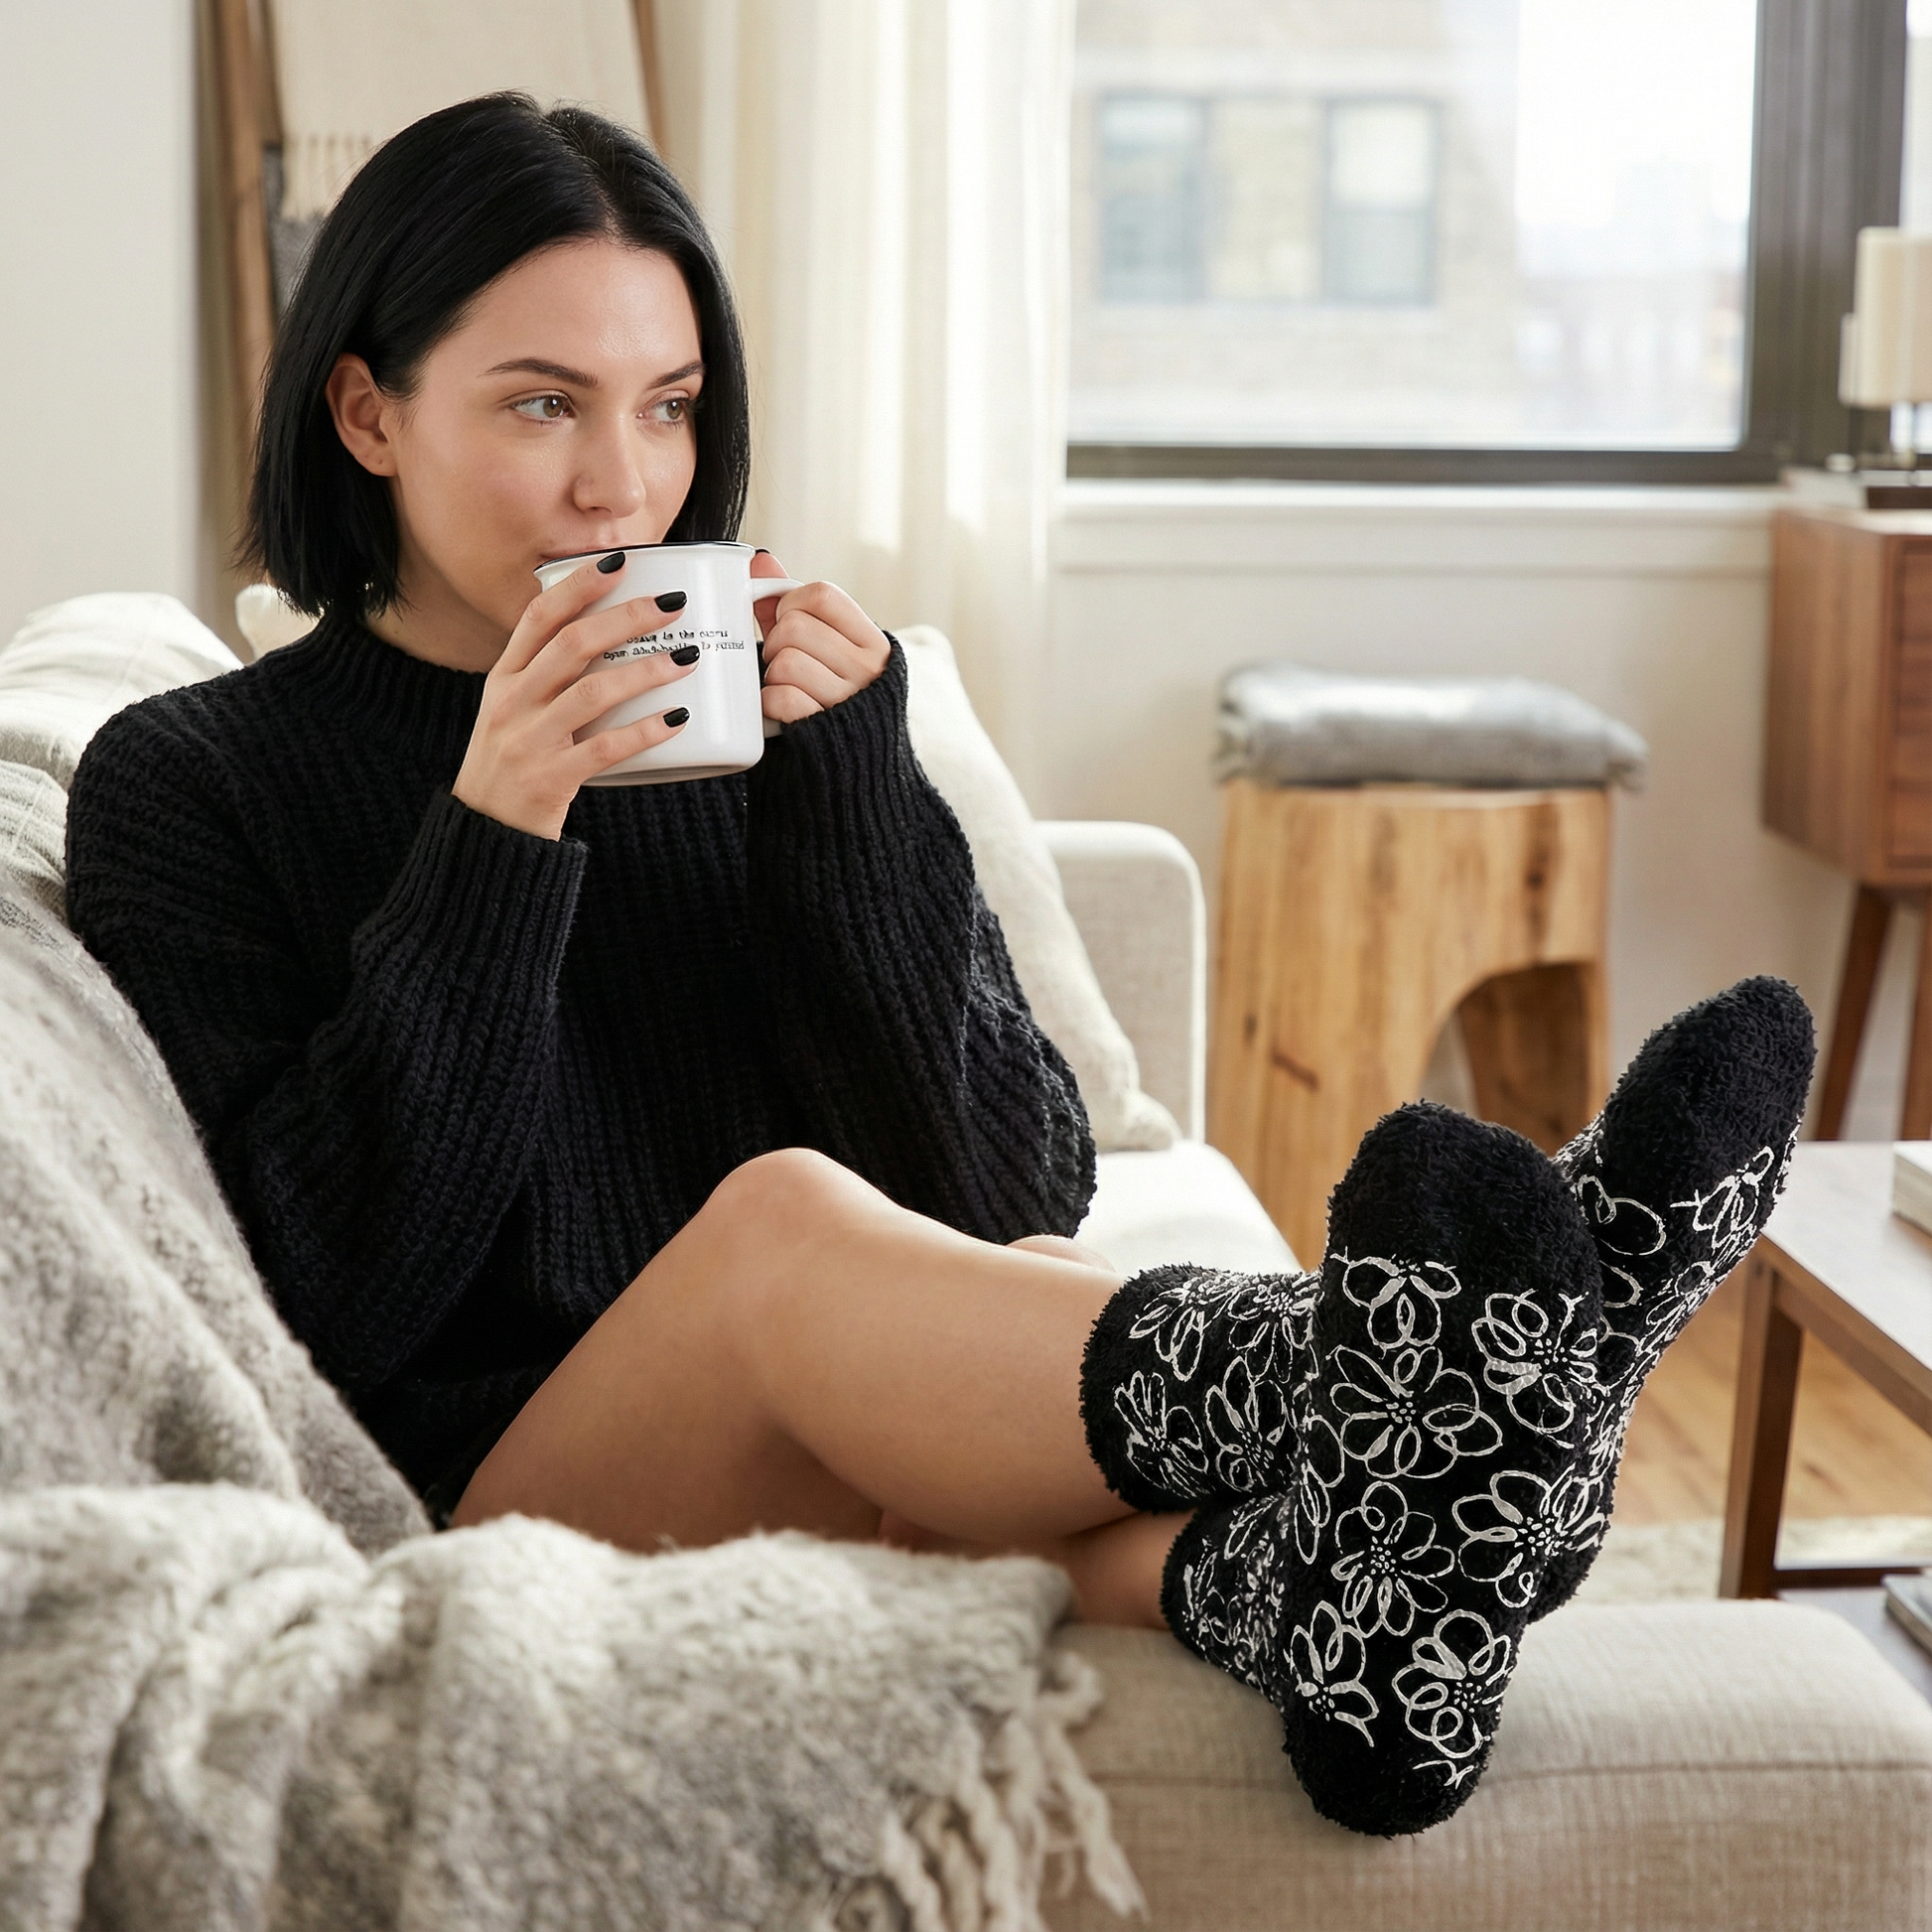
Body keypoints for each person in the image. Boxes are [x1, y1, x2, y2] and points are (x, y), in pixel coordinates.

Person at [64, 94, 1815, 1838]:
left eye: (668, 405)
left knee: (1029, 1281)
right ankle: (1443, 1365)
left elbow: (1008, 1186)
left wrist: (848, 807)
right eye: (543, 404)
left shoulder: (764, 740)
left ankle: (1348, 1614)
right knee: (778, 1227)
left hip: (841, 1467)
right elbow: (321, 1298)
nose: (624, 482)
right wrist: (499, 830)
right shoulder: (187, 779)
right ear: (366, 412)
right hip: (474, 1513)